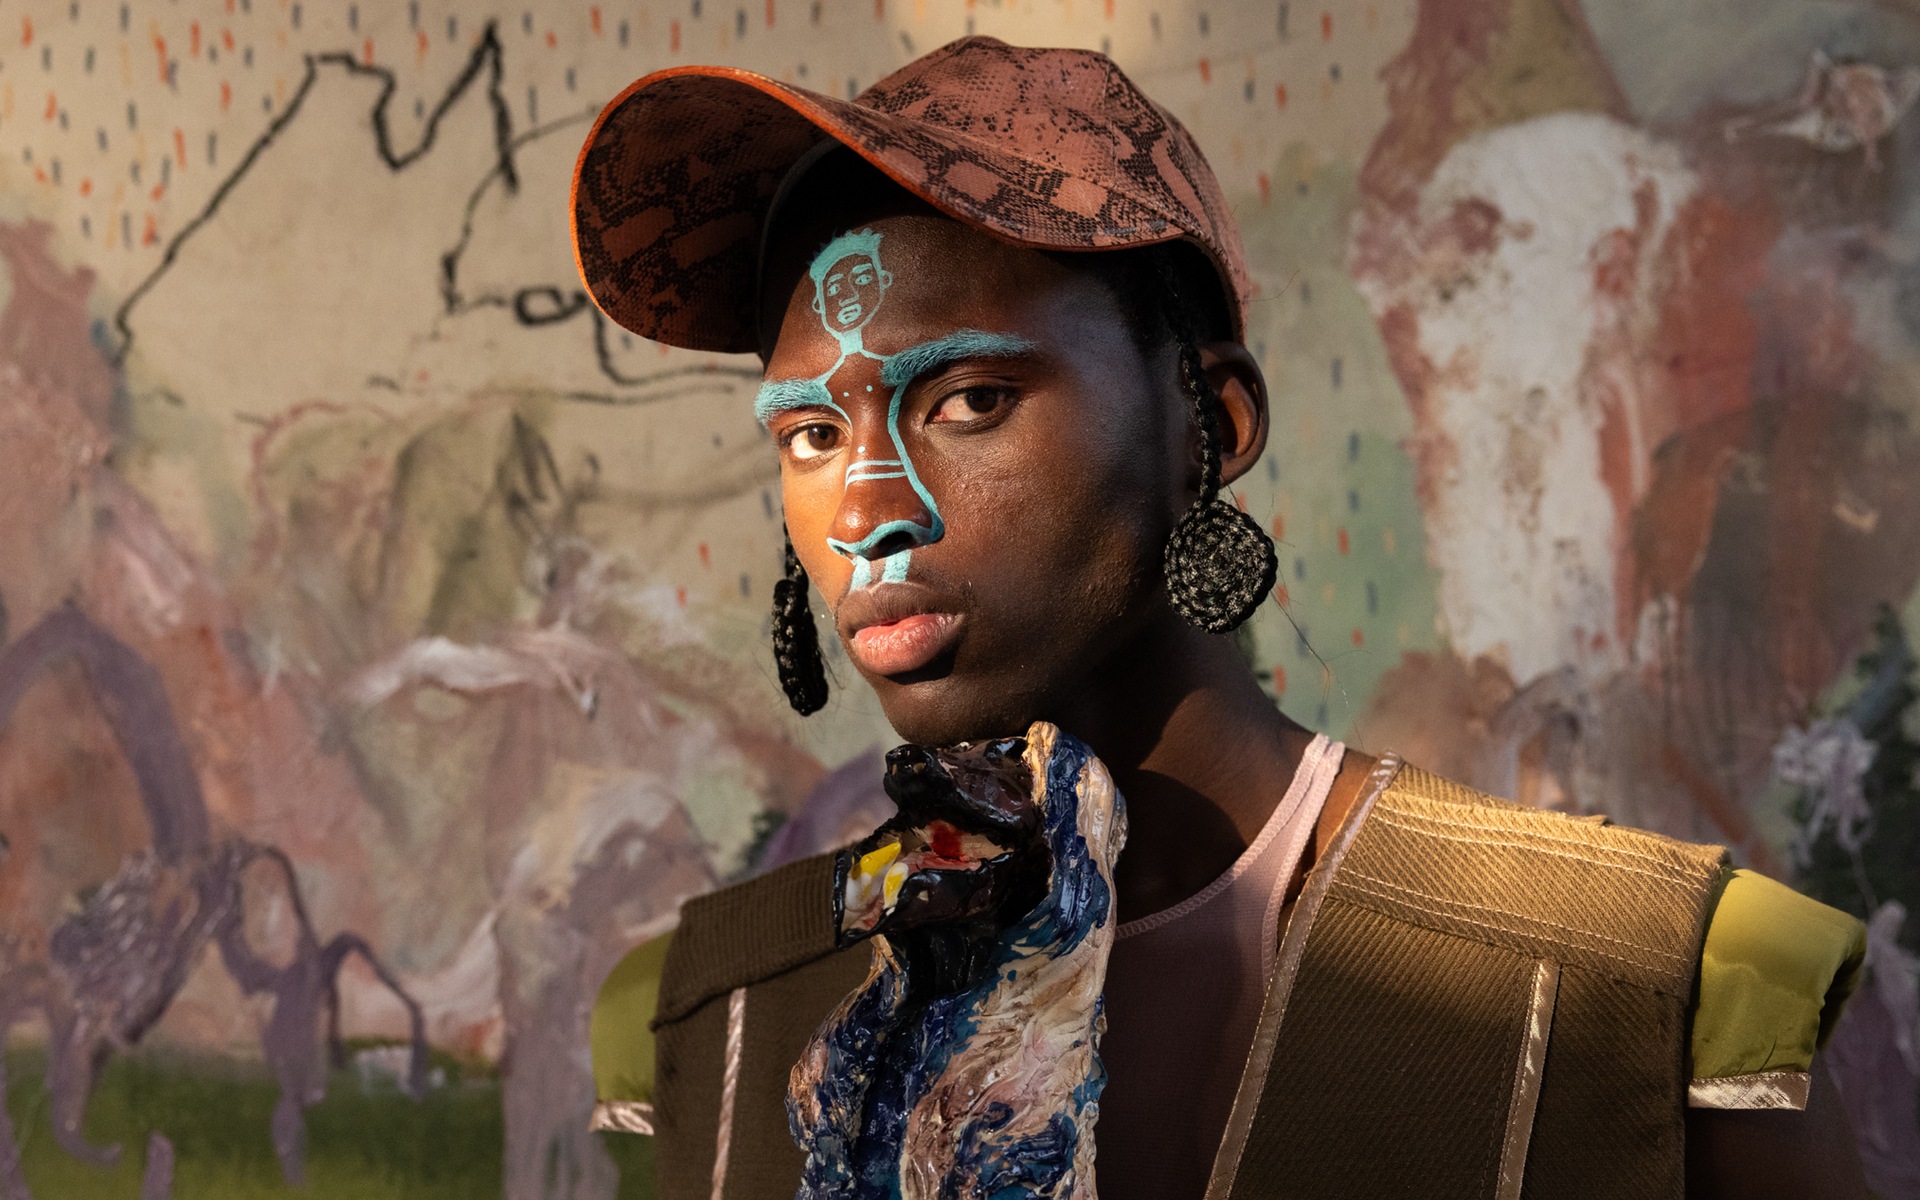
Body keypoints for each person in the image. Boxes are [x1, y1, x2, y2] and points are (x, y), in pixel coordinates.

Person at [570, 37, 1871, 1200]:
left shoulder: (1648, 997)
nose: (867, 508)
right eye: (811, 432)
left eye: (968, 401)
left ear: (1213, 423)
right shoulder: (713, 1018)